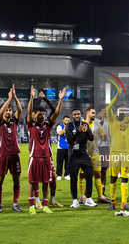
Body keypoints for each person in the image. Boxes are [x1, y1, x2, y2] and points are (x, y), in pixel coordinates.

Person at [27, 86, 66, 214]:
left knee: (46, 182)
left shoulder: (48, 125)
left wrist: (60, 100)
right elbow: (28, 112)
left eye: (44, 114)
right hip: (34, 158)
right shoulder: (31, 124)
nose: (42, 116)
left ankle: (45, 205)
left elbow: (56, 113)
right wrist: (32, 98)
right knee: (32, 183)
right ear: (35, 115)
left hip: (47, 158)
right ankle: (32, 206)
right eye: (40, 114)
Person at [107, 89, 129, 211]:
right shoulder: (112, 120)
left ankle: (124, 203)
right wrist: (115, 97)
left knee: (125, 177)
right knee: (112, 177)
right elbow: (108, 109)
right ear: (116, 111)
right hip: (114, 153)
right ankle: (112, 202)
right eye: (120, 109)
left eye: (124, 110)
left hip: (127, 153)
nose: (123, 111)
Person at [0, 84, 23, 213]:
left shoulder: (14, 120)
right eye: (7, 110)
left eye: (9, 110)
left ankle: (15, 204)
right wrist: (8, 99)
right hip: (2, 154)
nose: (8, 112)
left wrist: (15, 97)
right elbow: (0, 113)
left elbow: (20, 110)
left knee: (16, 180)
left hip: (15, 154)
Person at [66, 109, 97, 208]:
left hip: (84, 155)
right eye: (74, 114)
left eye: (78, 114)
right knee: (73, 179)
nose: (77, 116)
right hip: (73, 156)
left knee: (89, 176)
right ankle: (75, 200)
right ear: (72, 116)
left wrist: (87, 130)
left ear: (81, 115)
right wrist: (78, 132)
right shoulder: (69, 126)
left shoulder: (85, 124)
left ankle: (88, 198)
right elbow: (70, 141)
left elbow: (91, 138)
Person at [78, 108, 109, 204]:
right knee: (83, 175)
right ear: (87, 113)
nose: (94, 114)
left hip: (95, 153)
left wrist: (104, 136)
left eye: (95, 113)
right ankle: (82, 197)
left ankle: (100, 196)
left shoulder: (97, 124)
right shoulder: (81, 124)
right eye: (92, 113)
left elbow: (103, 139)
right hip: (84, 154)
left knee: (98, 174)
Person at [96, 104, 110, 197]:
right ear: (102, 110)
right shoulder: (95, 121)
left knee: (104, 171)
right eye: (106, 108)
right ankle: (85, 193)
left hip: (106, 148)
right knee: (96, 171)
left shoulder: (109, 121)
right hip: (97, 148)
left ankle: (102, 192)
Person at [56, 116, 70, 180]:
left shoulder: (71, 128)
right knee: (59, 162)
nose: (67, 121)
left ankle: (67, 174)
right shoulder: (59, 127)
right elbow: (60, 133)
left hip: (69, 147)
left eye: (68, 120)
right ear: (63, 120)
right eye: (66, 120)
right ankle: (59, 175)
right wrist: (66, 128)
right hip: (60, 147)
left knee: (68, 162)